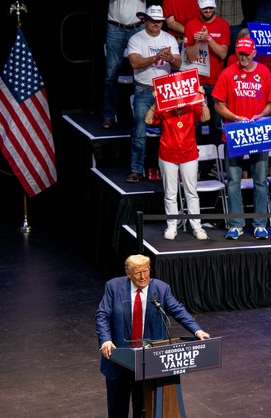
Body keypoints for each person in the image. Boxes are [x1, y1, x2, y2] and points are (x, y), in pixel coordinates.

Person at [96, 254, 211, 418]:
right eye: (138, 272)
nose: (143, 277)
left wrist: (197, 330)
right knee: (118, 416)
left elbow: (178, 310)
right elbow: (102, 315)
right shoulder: (113, 287)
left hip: (147, 362)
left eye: (146, 271)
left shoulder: (161, 289)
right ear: (128, 273)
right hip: (119, 362)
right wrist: (106, 340)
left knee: (143, 413)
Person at [212, 36, 271, 239]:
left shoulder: (264, 72)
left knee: (260, 181)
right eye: (240, 54)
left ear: (254, 53)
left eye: (247, 54)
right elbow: (218, 104)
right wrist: (235, 117)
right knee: (233, 181)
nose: (243, 58)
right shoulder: (228, 73)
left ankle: (260, 224)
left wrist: (260, 115)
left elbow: (270, 104)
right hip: (235, 133)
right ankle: (236, 224)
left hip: (258, 132)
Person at [145, 87, 213, 240]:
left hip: (189, 154)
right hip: (167, 155)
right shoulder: (164, 107)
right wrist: (156, 102)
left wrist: (202, 100)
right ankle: (171, 226)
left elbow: (205, 118)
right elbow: (148, 120)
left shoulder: (192, 106)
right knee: (170, 193)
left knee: (191, 192)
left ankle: (197, 227)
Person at [125, 5, 182, 184]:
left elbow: (178, 64)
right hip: (144, 88)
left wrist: (170, 59)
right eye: (153, 20)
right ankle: (136, 169)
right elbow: (134, 63)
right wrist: (156, 57)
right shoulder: (136, 38)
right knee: (139, 131)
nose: (156, 24)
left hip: (166, 90)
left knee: (170, 131)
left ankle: (168, 168)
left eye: (159, 21)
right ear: (146, 20)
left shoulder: (169, 38)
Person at [183, 0, 231, 146]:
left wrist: (208, 38)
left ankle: (215, 158)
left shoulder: (223, 24)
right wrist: (199, 42)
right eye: (205, 8)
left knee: (215, 124)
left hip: (216, 81)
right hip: (196, 81)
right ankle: (196, 156)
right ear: (199, 7)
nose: (208, 11)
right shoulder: (191, 25)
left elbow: (223, 54)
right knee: (195, 124)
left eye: (210, 8)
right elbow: (190, 57)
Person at [102, 0, 146, 130]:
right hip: (115, 27)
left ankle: (142, 115)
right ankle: (108, 115)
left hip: (138, 26)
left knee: (143, 73)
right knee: (111, 74)